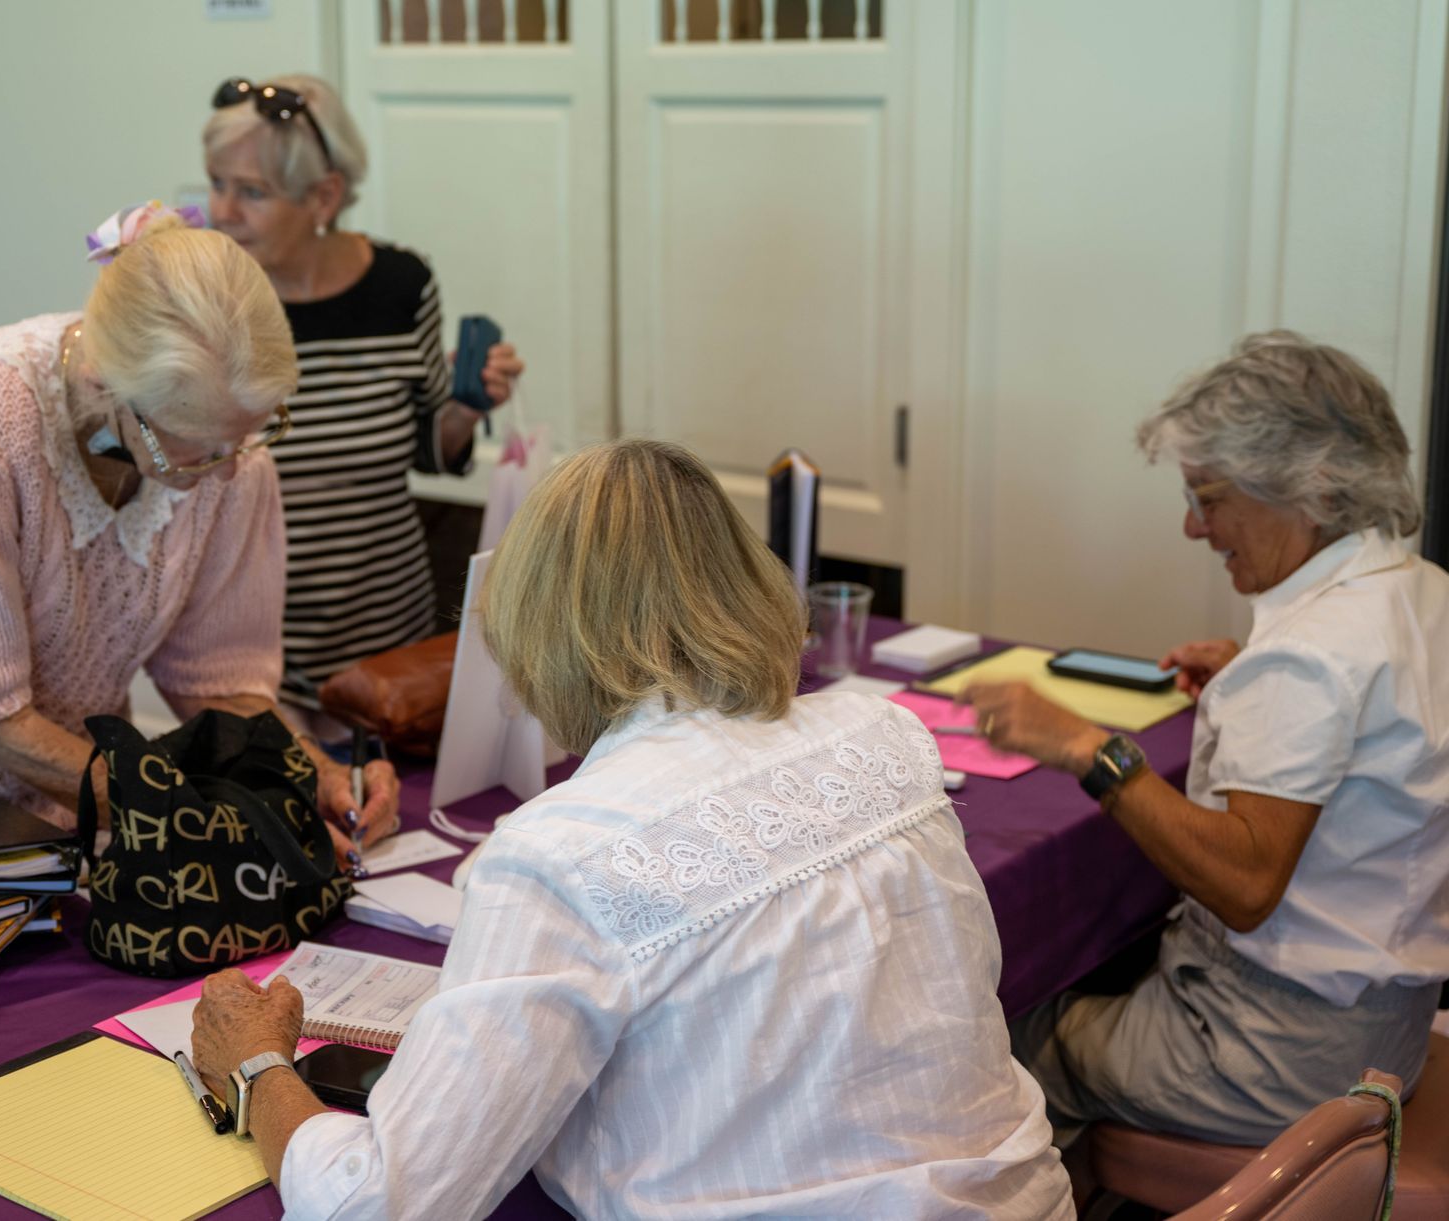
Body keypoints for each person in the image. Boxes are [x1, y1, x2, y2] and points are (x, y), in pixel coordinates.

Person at [192, 440, 1075, 1219]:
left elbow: (378, 1204)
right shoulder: (883, 735)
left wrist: (259, 1067)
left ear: (543, 633)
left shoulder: (557, 852)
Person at [0, 209, 396, 865]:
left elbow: (220, 682)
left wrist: (304, 773)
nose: (230, 469)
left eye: (251, 435)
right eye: (198, 449)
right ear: (108, 387)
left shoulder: (223, 450)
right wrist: (196, 819)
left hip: (60, 813)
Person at [973, 332, 1449, 1144]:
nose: (1195, 528)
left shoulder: (1312, 652)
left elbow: (1246, 885)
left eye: (1211, 497)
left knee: (983, 1043)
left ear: (1311, 488)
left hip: (1270, 1056)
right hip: (1385, 1030)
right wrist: (1249, 679)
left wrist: (1089, 748)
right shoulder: (1414, 589)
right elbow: (1367, 723)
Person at [200, 76, 525, 758]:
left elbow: (428, 453)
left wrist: (466, 408)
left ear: (324, 197)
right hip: (265, 667)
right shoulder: (214, 301)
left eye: (251, 192)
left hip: (393, 651)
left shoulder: (401, 286)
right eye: (216, 183)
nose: (221, 210)